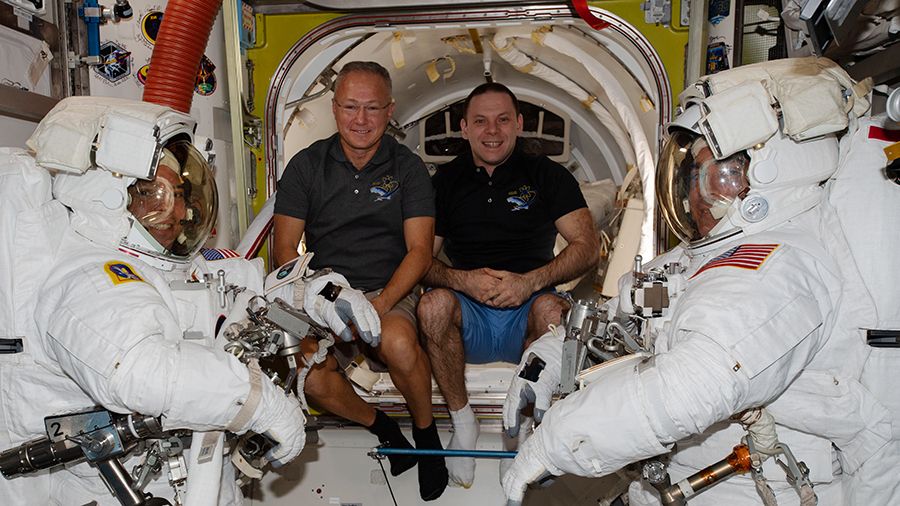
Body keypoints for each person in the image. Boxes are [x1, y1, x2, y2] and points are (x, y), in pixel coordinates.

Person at [502, 59, 897, 505]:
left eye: (720, 176)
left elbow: (693, 385)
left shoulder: (779, 266)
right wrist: (543, 362)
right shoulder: (693, 261)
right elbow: (614, 316)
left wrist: (557, 443)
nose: (697, 195)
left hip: (747, 488)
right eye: (693, 177)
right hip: (675, 475)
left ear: (769, 176)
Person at [0, 97, 311, 504]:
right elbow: (140, 370)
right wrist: (258, 402)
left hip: (183, 473)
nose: (177, 212)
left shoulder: (159, 265)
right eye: (153, 195)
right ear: (109, 197)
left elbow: (241, 291)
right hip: (112, 487)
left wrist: (307, 295)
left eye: (179, 195)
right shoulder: (90, 276)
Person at [272, 61, 448, 501]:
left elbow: (420, 252)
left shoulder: (408, 168)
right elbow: (283, 250)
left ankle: (426, 437)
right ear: (334, 108)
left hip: (389, 290)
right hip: (324, 293)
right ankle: (383, 427)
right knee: (309, 377)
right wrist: (322, 298)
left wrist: (378, 305)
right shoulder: (306, 165)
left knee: (399, 343)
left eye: (372, 108)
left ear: (390, 111)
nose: (361, 119)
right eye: (350, 106)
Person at [416, 82, 600, 488]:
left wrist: (530, 282)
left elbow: (589, 248)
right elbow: (420, 259)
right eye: (480, 121)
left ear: (518, 124)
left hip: (528, 311)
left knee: (554, 311)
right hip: (471, 315)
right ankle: (463, 422)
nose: (492, 131)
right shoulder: (443, 182)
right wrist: (463, 280)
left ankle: (519, 432)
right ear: (464, 128)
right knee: (432, 306)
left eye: (502, 120)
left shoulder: (548, 175)